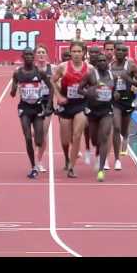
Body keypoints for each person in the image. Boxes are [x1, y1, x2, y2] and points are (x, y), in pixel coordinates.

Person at [51, 41, 93, 178]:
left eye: (79, 51)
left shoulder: (90, 68)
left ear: (83, 53)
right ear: (70, 53)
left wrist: (88, 93)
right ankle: (66, 158)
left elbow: (95, 86)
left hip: (81, 104)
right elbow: (52, 81)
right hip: (66, 104)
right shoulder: (62, 67)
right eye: (74, 51)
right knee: (65, 140)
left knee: (77, 135)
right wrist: (58, 96)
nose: (76, 54)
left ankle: (72, 167)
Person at [10, 47, 53, 179]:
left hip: (38, 107)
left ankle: (37, 136)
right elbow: (12, 94)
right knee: (28, 138)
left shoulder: (40, 72)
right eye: (26, 55)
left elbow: (51, 88)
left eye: (30, 54)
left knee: (39, 141)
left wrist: (48, 107)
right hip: (24, 108)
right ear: (22, 57)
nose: (29, 56)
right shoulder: (17, 73)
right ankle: (33, 166)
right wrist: (15, 88)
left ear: (33, 57)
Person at [78, 53, 115, 181]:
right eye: (100, 60)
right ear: (97, 63)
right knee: (94, 140)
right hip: (93, 111)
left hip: (106, 111)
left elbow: (117, 91)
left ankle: (101, 169)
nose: (102, 62)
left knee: (104, 137)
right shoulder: (90, 74)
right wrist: (89, 93)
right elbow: (79, 89)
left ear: (107, 61)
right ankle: (97, 149)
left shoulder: (112, 75)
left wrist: (116, 95)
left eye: (104, 60)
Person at [110, 43, 137, 170]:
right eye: (118, 49)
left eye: (123, 50)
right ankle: (117, 159)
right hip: (115, 102)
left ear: (126, 53)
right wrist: (112, 91)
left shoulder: (131, 66)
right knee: (116, 128)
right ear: (114, 51)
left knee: (124, 130)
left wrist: (129, 81)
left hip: (128, 100)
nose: (120, 52)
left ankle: (126, 137)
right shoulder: (110, 66)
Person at [34, 44, 54, 173]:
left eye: (43, 52)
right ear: (35, 55)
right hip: (33, 102)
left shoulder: (52, 68)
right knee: (36, 133)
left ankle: (38, 162)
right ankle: (36, 160)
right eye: (39, 52)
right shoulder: (31, 69)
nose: (41, 54)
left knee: (43, 133)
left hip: (47, 102)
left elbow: (56, 85)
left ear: (46, 54)